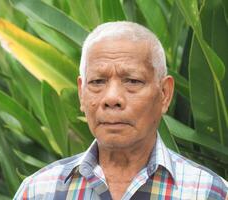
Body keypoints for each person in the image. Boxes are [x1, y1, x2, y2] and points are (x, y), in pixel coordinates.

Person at [14, 22, 228, 200]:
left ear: (164, 94)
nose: (112, 98)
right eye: (97, 81)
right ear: (81, 93)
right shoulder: (39, 191)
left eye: (132, 81)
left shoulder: (208, 193)